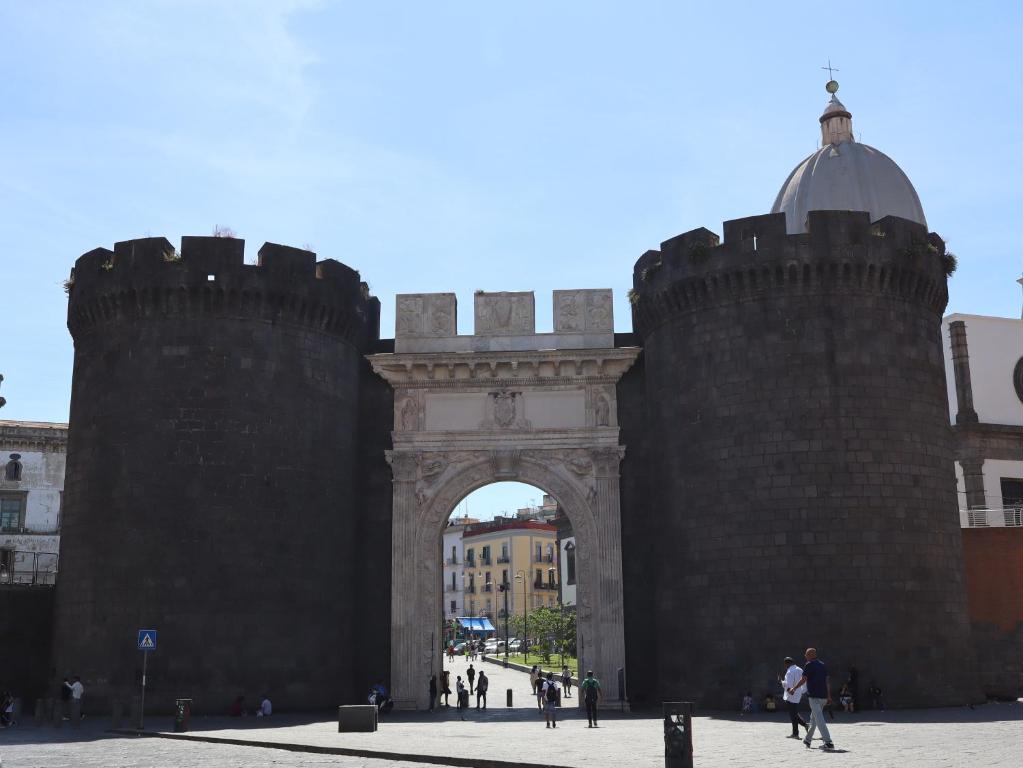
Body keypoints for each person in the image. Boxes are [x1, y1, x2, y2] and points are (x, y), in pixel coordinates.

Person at [787, 648, 835, 751]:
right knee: (814, 719)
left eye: (806, 654)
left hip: (814, 697)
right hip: (823, 697)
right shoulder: (822, 665)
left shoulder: (809, 665)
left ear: (810, 655)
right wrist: (829, 696)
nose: (805, 656)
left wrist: (794, 688)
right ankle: (808, 740)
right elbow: (827, 681)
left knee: (819, 719)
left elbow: (803, 679)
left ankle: (828, 742)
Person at [781, 656, 809, 739]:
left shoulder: (789, 672)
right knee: (794, 713)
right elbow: (804, 681)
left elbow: (789, 686)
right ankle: (805, 725)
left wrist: (782, 683)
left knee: (793, 715)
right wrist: (802, 691)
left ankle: (795, 733)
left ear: (786, 664)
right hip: (798, 694)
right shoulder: (800, 669)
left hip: (791, 695)